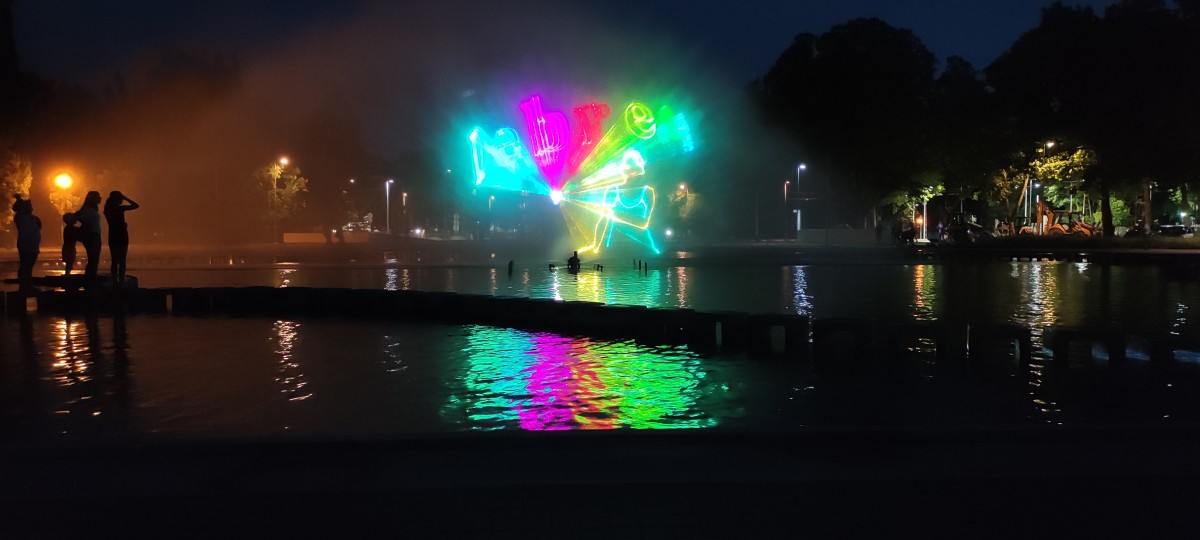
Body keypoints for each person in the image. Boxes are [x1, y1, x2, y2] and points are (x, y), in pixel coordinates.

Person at [103, 191, 139, 288]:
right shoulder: (120, 208)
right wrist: (126, 198)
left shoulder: (107, 209)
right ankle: (121, 280)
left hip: (112, 235)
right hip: (122, 235)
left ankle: (115, 281)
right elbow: (136, 205)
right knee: (122, 260)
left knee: (114, 259)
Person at [14, 197, 42, 294]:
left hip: (33, 245)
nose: (31, 208)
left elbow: (39, 226)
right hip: (25, 245)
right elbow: (17, 207)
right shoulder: (20, 217)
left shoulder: (33, 218)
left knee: (29, 266)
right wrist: (19, 199)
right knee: (25, 266)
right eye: (29, 206)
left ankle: (28, 285)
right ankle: (24, 286)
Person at [75, 191, 103, 288]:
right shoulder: (88, 210)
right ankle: (90, 279)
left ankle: (90, 277)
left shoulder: (90, 210)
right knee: (93, 258)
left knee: (93, 258)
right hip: (92, 235)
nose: (100, 198)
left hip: (93, 235)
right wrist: (85, 226)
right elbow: (76, 216)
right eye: (98, 197)